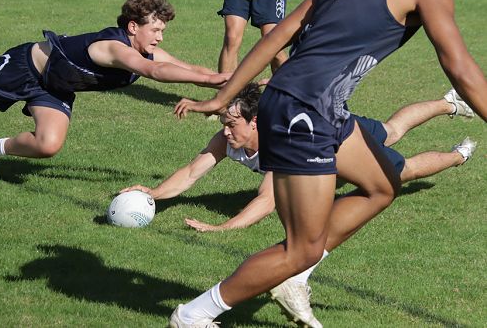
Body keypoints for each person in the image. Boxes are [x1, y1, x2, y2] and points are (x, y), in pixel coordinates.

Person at [170, 0, 487, 328]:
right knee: (300, 248)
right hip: (306, 111)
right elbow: (461, 69)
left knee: (383, 185)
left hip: (313, 104)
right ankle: (194, 315)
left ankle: (295, 276)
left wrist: (225, 96)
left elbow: (278, 34)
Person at [122, 85, 476, 234]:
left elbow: (267, 200)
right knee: (393, 139)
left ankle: (456, 140)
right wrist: (154, 193)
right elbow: (190, 172)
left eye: (231, 124)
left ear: (255, 122)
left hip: (339, 140)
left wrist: (222, 228)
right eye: (224, 124)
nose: (225, 132)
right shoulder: (226, 139)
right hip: (325, 162)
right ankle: (455, 128)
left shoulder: (281, 147)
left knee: (399, 158)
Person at [0, 0, 229, 186]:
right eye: (155, 30)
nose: (160, 38)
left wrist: (231, 80)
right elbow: (155, 71)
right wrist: (211, 80)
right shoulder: (115, 48)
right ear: (133, 27)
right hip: (24, 67)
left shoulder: (145, 52)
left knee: (47, 144)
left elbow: (191, 70)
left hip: (55, 87)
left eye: (162, 31)